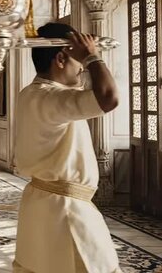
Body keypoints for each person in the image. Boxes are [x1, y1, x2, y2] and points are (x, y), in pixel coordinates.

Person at [13, 23, 121, 273]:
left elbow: (90, 93)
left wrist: (87, 56)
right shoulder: (51, 98)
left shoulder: (31, 93)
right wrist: (92, 56)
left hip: (44, 203)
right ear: (61, 58)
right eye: (79, 65)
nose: (82, 72)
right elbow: (109, 98)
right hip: (66, 212)